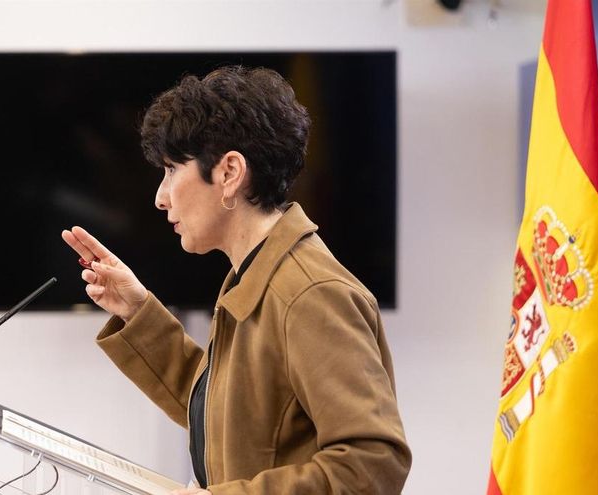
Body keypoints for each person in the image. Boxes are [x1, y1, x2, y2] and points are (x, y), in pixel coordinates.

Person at [62, 66, 411, 494]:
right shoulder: (256, 274)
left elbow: (373, 463)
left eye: (172, 170)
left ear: (229, 172)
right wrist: (137, 313)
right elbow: (223, 414)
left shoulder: (310, 294)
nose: (160, 195)